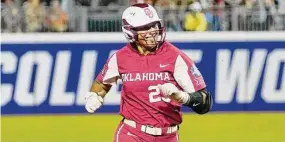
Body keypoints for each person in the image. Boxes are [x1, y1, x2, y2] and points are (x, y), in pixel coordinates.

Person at [84, 3, 212, 142]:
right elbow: (101, 84)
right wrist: (93, 95)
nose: (152, 30)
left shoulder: (176, 57)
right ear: (130, 31)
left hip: (168, 136)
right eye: (145, 27)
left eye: (154, 25)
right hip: (132, 134)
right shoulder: (120, 58)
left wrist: (183, 97)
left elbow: (205, 102)